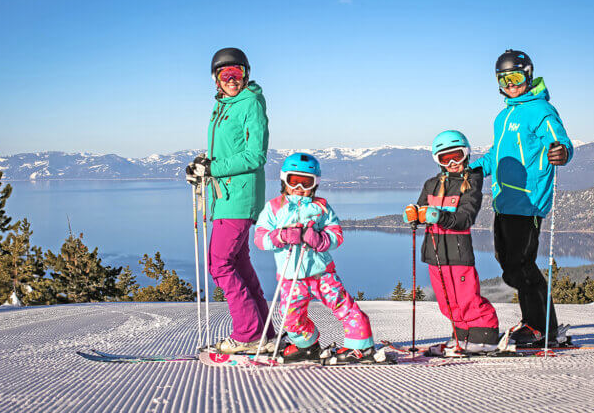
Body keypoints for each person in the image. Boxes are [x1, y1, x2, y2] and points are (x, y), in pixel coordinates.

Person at [469, 49, 573, 346]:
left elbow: (561, 142)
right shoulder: (504, 116)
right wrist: (473, 169)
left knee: (521, 265)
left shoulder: (541, 110)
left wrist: (562, 153)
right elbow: (496, 155)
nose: (511, 85)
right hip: (503, 202)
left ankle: (541, 328)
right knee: (509, 264)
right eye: (504, 79)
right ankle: (538, 323)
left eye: (516, 77)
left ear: (529, 75)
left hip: (527, 203)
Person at [187, 47, 275, 354]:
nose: (232, 79)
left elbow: (256, 155)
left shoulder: (249, 103)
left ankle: (248, 333)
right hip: (225, 196)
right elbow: (226, 151)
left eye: (237, 73)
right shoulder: (224, 106)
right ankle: (264, 331)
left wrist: (215, 168)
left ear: (246, 74)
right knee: (239, 263)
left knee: (219, 264)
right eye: (226, 75)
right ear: (216, 80)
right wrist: (203, 165)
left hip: (238, 197)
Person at [254, 153, 376, 364]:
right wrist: (281, 236)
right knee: (289, 317)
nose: (300, 187)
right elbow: (260, 239)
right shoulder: (274, 207)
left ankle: (361, 346)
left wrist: (320, 239)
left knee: (343, 306)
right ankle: (306, 345)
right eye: (294, 181)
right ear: (284, 179)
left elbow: (337, 235)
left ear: (315, 184)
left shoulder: (321, 207)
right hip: (290, 276)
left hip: (321, 272)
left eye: (306, 182)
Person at [403, 130, 500, 353]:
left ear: (466, 154)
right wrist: (413, 215)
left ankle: (485, 334)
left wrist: (439, 216)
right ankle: (462, 336)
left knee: (466, 297)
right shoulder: (431, 184)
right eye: (445, 158)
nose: (453, 162)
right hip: (434, 252)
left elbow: (466, 218)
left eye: (457, 155)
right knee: (447, 301)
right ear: (438, 160)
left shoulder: (471, 182)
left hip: (457, 251)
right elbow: (420, 210)